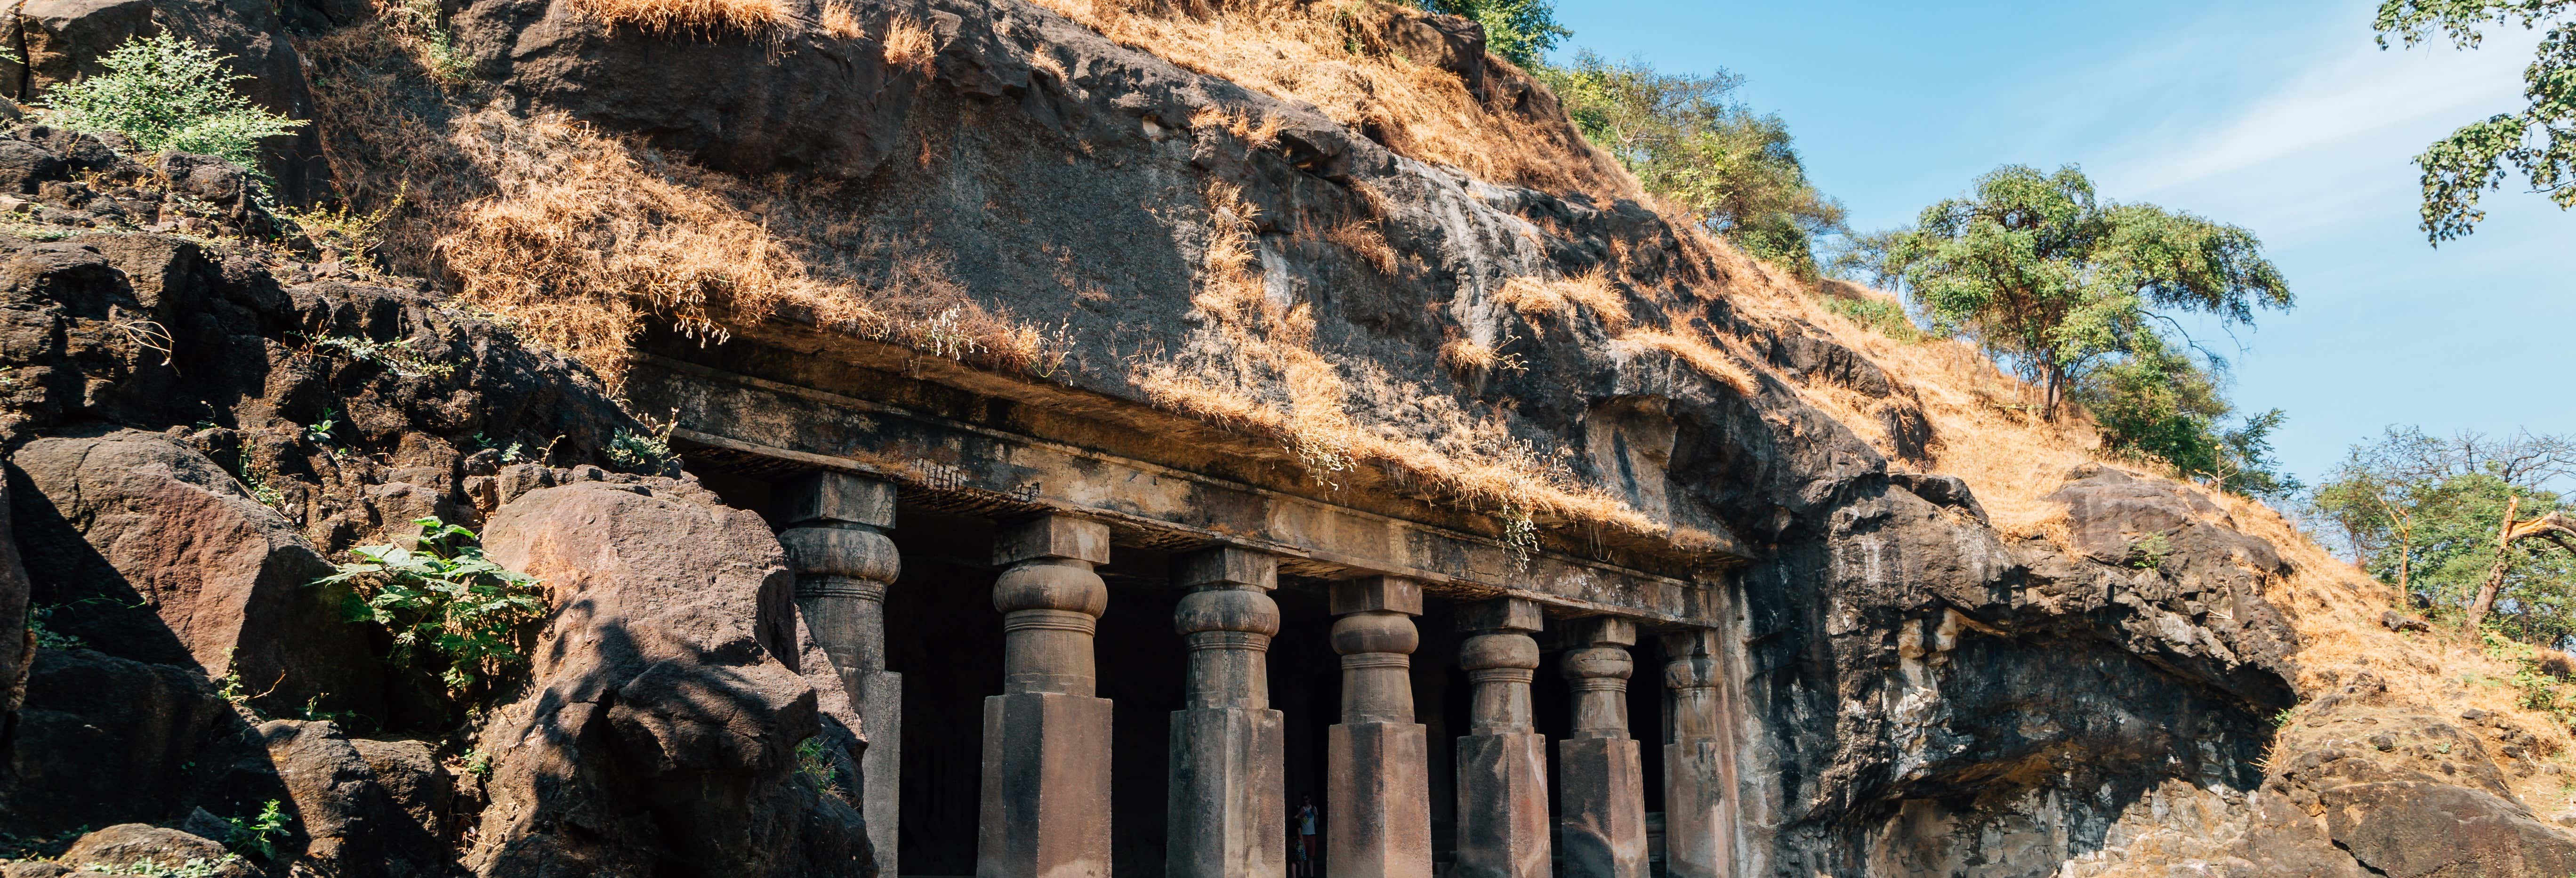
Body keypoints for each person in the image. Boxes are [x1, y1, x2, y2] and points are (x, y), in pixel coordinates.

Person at [1295, 796, 1320, 877]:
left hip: (1312, 835)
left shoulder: (1314, 808)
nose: (1306, 801)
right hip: (1303, 835)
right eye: (1304, 799)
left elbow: (1317, 823)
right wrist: (1300, 814)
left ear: (1310, 799)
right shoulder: (1300, 808)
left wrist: (1315, 815)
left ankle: (1312, 876)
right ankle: (1302, 876)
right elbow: (1295, 819)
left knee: (1311, 857)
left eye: (1307, 799)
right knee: (1302, 857)